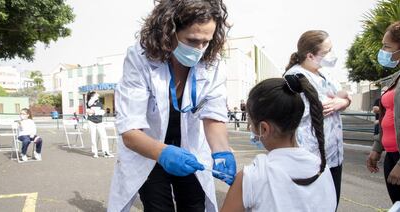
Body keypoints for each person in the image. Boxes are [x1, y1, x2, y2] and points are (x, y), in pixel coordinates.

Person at [108, 1, 235, 211]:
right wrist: (163, 153)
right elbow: (130, 131)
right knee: (158, 207)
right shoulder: (140, 59)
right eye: (192, 41)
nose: (200, 49)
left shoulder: (213, 63)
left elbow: (213, 112)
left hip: (191, 149)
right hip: (149, 148)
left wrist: (221, 151)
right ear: (169, 31)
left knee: (195, 205)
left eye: (206, 41)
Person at [221, 75, 336, 212]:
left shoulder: (253, 176)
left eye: (250, 124)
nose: (249, 128)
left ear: (264, 128)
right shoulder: (322, 169)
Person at [284, 30, 351, 205]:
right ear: (310, 55)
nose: (332, 55)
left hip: (334, 156)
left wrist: (342, 102)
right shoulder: (294, 79)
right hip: (312, 158)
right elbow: (294, 114)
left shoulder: (324, 74)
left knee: (331, 204)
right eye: (327, 52)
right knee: (314, 206)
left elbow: (343, 96)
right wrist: (331, 102)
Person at [367, 21, 400, 203]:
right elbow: (387, 116)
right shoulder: (396, 77)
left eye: (387, 46)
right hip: (391, 154)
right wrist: (377, 148)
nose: (383, 51)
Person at [86, 91, 114, 158]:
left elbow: (102, 112)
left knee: (104, 137)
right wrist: (95, 111)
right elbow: (88, 111)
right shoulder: (89, 103)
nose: (97, 95)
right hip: (91, 121)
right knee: (93, 137)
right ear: (93, 96)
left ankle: (106, 152)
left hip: (100, 122)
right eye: (96, 94)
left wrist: (94, 111)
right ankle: (95, 153)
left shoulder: (100, 103)